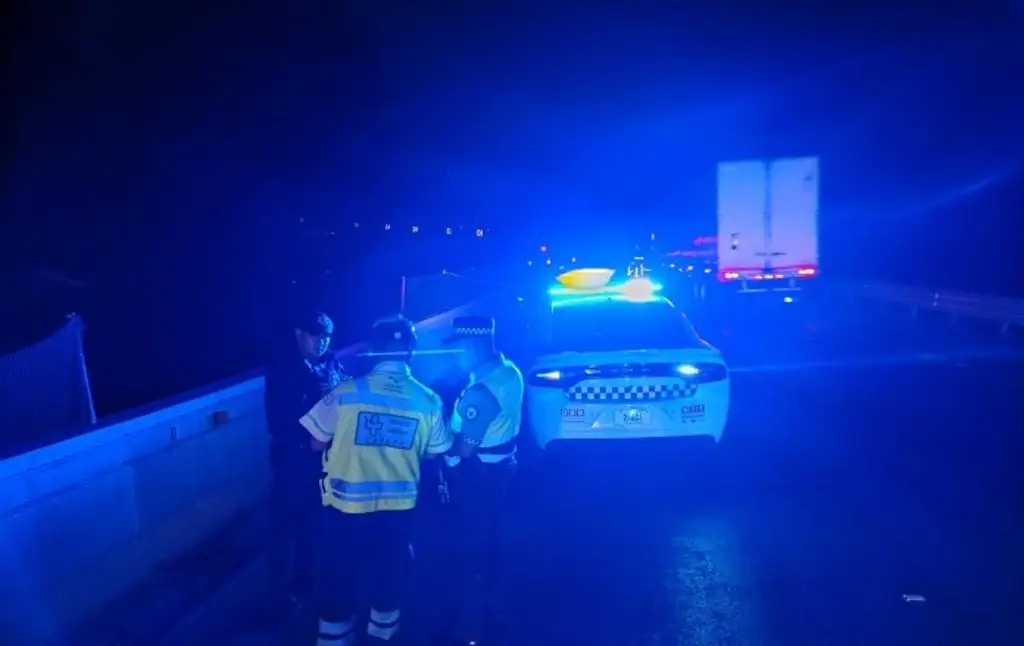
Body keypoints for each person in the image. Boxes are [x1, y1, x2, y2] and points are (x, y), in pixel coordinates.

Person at [301, 314, 452, 646]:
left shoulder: (347, 391)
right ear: (410, 351)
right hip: (397, 516)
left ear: (374, 350)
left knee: (339, 583)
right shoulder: (428, 400)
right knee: (388, 584)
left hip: (345, 512)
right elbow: (436, 451)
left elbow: (314, 442)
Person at [436, 315, 524, 646]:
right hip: (502, 469)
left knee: (465, 551)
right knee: (492, 543)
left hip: (477, 479)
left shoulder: (481, 391)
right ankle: (493, 614)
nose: (456, 355)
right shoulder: (509, 371)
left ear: (472, 346)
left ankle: (462, 628)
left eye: (458, 348)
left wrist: (436, 447)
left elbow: (465, 448)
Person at [264, 310, 345, 608]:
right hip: (295, 460)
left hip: (323, 460)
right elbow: (281, 421)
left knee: (314, 522)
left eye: (326, 337)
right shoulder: (285, 371)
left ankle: (305, 579)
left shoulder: (330, 364)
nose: (322, 343)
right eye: (316, 336)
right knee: (285, 525)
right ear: (300, 334)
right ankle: (278, 592)